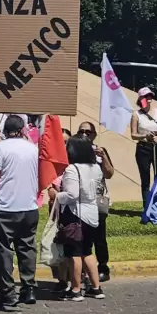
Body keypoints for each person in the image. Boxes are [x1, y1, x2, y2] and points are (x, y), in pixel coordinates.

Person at [0, 115, 40, 308]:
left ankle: (7, 292)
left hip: (6, 206)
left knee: (3, 250)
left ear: (5, 130)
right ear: (22, 129)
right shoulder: (32, 148)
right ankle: (29, 287)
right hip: (29, 205)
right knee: (27, 248)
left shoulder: (0, 148)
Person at [56, 136, 106, 301]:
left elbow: (72, 194)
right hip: (92, 213)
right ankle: (96, 288)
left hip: (75, 214)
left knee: (74, 253)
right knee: (87, 251)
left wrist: (57, 195)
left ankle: (75, 289)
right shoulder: (96, 168)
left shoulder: (72, 169)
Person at [77, 121, 115, 282]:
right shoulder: (74, 150)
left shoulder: (100, 152)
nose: (85, 134)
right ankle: (82, 269)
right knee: (79, 236)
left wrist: (103, 156)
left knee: (99, 237)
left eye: (88, 132)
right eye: (81, 132)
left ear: (94, 135)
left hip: (96, 199)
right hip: (79, 199)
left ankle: (103, 267)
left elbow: (109, 174)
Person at [130, 87, 157, 212]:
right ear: (141, 98)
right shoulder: (136, 114)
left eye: (150, 96)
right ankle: (147, 208)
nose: (149, 98)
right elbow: (133, 135)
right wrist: (145, 136)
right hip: (143, 149)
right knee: (145, 180)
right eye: (146, 96)